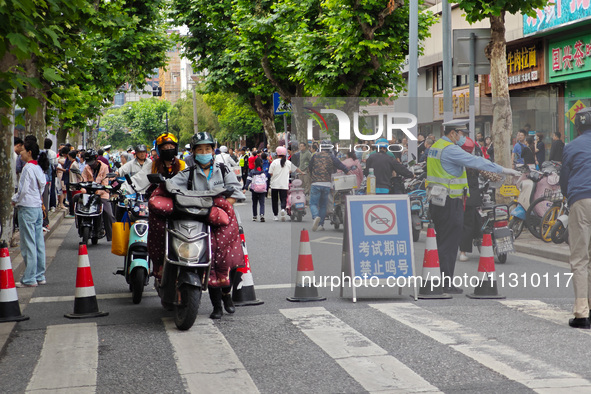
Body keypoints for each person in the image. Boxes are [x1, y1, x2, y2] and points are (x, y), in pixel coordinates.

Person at [426, 120, 519, 294]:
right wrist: (504, 170)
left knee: (442, 241)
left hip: (436, 200)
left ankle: (438, 279)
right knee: (450, 243)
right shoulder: (451, 149)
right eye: (462, 134)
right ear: (453, 133)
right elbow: (476, 161)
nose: (464, 138)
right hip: (450, 200)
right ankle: (446, 283)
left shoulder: (435, 146)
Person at [165, 132, 245, 319]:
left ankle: (227, 295)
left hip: (224, 222)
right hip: (199, 222)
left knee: (228, 261)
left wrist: (222, 205)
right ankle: (216, 306)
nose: (204, 152)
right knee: (208, 262)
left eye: (207, 149)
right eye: (199, 149)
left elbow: (236, 192)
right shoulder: (187, 173)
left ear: (213, 150)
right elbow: (171, 187)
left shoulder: (224, 170)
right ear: (193, 152)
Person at [560, 107, 591, 329]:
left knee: (580, 258)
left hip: (581, 201)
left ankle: (582, 314)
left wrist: (568, 197)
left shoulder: (571, 147)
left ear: (578, 127)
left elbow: (564, 179)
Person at [12, 139, 49, 287]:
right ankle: (39, 275)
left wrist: (14, 199)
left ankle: (29, 278)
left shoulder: (28, 168)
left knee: (28, 244)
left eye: (22, 150)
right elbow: (42, 187)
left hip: (27, 207)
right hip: (37, 207)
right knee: (38, 242)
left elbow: (23, 190)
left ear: (29, 152)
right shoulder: (38, 168)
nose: (20, 152)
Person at [75, 150, 115, 242]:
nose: (91, 164)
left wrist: (99, 191)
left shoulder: (104, 167)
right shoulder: (86, 168)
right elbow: (83, 180)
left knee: (108, 213)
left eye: (92, 162)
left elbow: (105, 182)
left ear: (96, 159)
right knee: (76, 198)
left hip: (102, 193)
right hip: (88, 193)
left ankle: (112, 236)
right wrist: (83, 189)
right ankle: (79, 224)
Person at [308, 144, 349, 231]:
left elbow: (310, 167)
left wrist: (313, 176)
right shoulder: (331, 157)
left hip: (316, 183)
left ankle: (315, 217)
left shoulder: (315, 155)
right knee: (323, 205)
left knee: (313, 203)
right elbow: (340, 165)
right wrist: (347, 172)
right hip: (326, 184)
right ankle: (320, 225)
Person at [458, 136, 482, 262]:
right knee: (470, 222)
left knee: (467, 223)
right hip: (470, 196)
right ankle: (464, 250)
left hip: (461, 196)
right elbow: (486, 171)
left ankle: (463, 251)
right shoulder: (473, 160)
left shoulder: (457, 160)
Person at [269, 146, 304, 222]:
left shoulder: (274, 162)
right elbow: (295, 169)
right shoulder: (288, 162)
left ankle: (275, 215)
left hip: (274, 184)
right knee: (283, 199)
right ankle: (282, 209)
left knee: (274, 200)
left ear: (277, 154)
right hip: (284, 184)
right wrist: (302, 173)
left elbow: (270, 173)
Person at [244, 157, 268, 222]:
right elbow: (266, 181)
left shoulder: (252, 171)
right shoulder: (263, 172)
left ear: (255, 163)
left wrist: (245, 188)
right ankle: (262, 214)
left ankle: (255, 216)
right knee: (262, 202)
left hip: (254, 189)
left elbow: (248, 180)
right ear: (261, 163)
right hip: (262, 189)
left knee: (254, 203)